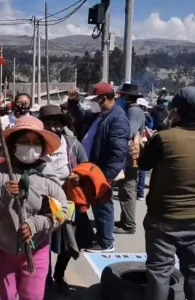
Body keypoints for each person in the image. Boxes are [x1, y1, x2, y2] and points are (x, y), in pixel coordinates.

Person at [0, 115, 69, 300]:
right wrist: (2, 193)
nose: (30, 146)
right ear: (13, 145)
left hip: (36, 251)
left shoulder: (48, 177)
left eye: (35, 142)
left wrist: (37, 223)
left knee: (32, 296)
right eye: (25, 141)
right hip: (1, 249)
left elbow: (63, 212)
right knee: (1, 296)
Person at [139, 87, 195, 300]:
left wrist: (150, 141)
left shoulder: (164, 138)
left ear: (177, 112)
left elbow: (144, 164)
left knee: (159, 271)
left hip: (164, 219)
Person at [68, 83, 130, 253]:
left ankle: (106, 242)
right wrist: (73, 103)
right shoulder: (100, 115)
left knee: (103, 205)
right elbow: (81, 116)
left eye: (95, 99)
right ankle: (101, 236)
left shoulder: (117, 119)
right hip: (91, 170)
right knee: (96, 205)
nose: (92, 102)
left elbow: (119, 153)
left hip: (101, 173)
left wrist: (105, 178)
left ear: (103, 99)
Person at [38, 105, 89, 287]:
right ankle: (44, 278)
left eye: (56, 124)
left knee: (67, 241)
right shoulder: (35, 144)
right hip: (41, 202)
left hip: (67, 201)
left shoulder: (73, 144)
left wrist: (79, 175)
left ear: (62, 126)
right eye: (48, 124)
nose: (52, 128)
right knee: (42, 242)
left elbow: (86, 166)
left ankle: (59, 275)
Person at [115, 83, 145, 235]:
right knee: (124, 190)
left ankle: (129, 225)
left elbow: (129, 131)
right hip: (128, 157)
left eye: (121, 95)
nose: (119, 98)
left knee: (127, 191)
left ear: (127, 96)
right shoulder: (132, 110)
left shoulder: (133, 111)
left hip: (129, 157)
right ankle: (124, 220)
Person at [137, 97, 153, 201]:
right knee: (141, 169)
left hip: (139, 142)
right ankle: (140, 193)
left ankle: (138, 191)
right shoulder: (148, 117)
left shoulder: (138, 116)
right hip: (145, 143)